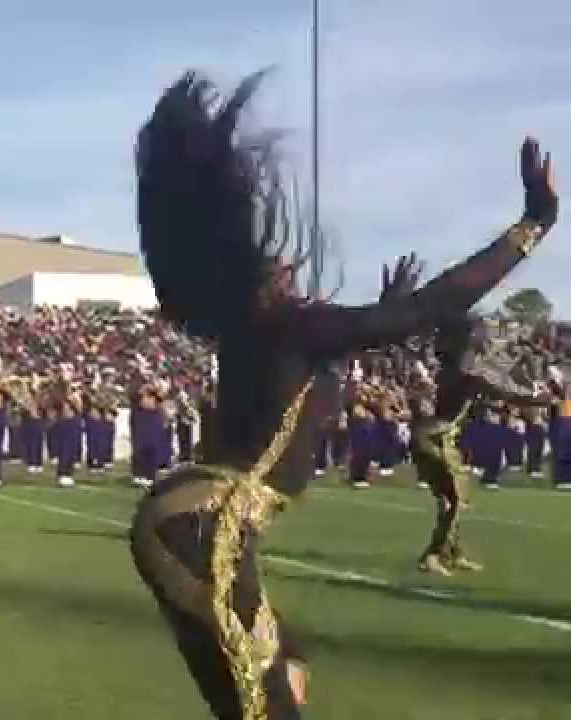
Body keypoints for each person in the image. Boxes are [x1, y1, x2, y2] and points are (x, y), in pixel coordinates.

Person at [128, 70, 557, 719]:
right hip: (205, 525)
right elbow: (436, 304)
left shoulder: (269, 331)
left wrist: (383, 313)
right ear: (257, 282)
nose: (290, 265)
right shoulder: (290, 326)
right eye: (278, 265)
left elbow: (358, 340)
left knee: (287, 672)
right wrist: (532, 225)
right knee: (266, 706)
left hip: (194, 516)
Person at [409, 316, 544, 576]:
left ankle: (450, 552)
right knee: (455, 498)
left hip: (435, 436)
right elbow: (506, 392)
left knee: (455, 497)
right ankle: (433, 555)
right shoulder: (466, 371)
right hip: (436, 438)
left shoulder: (455, 368)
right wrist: (540, 399)